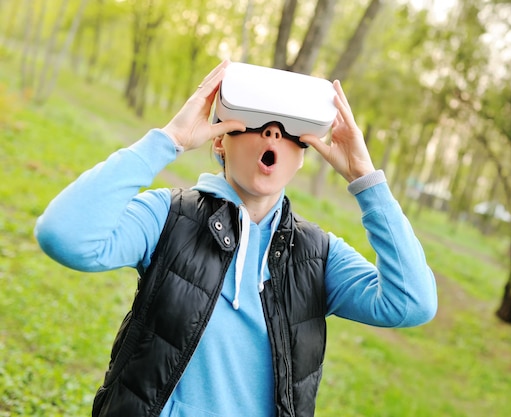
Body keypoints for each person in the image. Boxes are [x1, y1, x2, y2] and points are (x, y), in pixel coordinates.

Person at [35, 59, 438, 417]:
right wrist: (168, 140)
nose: (273, 136)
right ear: (219, 140)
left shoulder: (317, 256)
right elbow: (65, 236)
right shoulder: (168, 217)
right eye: (257, 124)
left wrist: (365, 180)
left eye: (289, 132)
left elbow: (411, 302)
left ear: (302, 155)